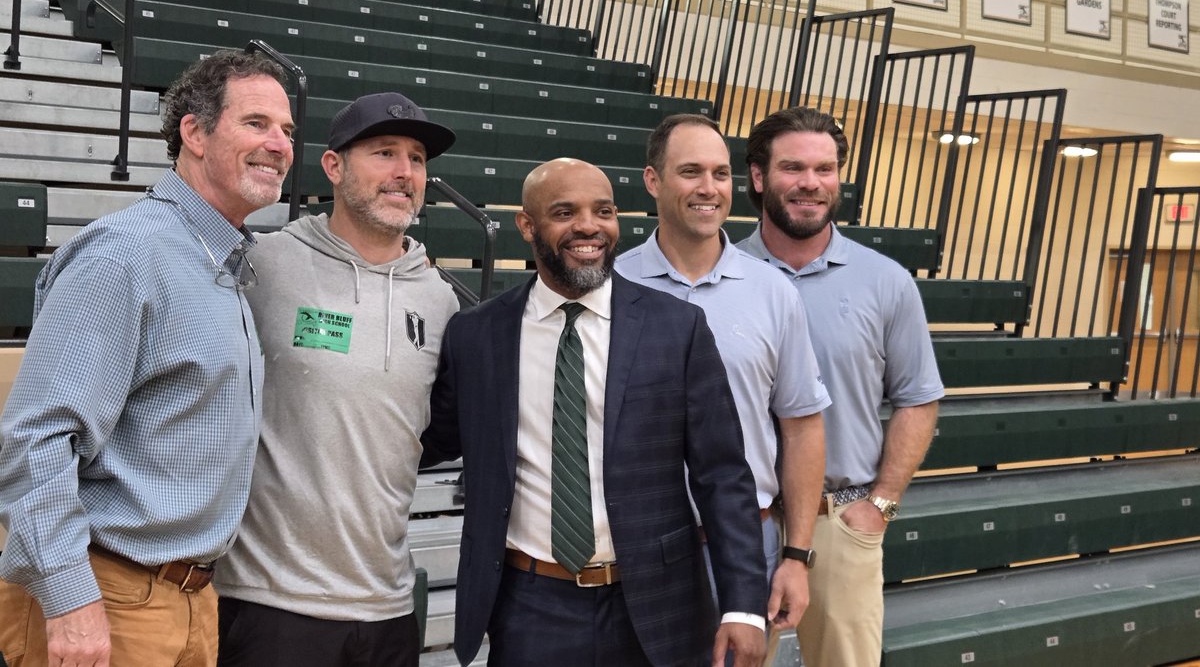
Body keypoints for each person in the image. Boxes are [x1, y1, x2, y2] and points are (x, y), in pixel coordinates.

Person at [0, 49, 294, 666]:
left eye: (287, 131)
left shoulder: (223, 264)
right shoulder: (124, 257)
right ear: (193, 132)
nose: (279, 144)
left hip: (189, 599)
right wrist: (69, 600)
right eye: (257, 123)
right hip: (105, 596)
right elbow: (36, 438)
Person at [420, 158, 768, 667]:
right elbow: (433, 437)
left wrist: (743, 606)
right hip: (529, 604)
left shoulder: (678, 328)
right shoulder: (478, 335)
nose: (589, 226)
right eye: (564, 212)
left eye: (603, 211)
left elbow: (724, 475)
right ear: (526, 225)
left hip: (656, 602)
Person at [212, 92, 459, 667]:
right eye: (384, 152)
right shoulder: (261, 265)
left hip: (389, 607)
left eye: (417, 159)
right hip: (270, 603)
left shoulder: (440, 299)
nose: (405, 172)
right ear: (333, 166)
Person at [614, 114, 830, 657]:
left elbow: (802, 428)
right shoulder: (612, 287)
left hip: (740, 544)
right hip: (631, 546)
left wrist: (796, 556)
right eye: (690, 172)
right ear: (652, 180)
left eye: (720, 173)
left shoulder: (773, 292)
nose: (709, 189)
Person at [737, 106, 944, 667]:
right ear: (758, 178)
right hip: (744, 522)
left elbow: (918, 398)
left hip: (841, 518)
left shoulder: (886, 281)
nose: (811, 183)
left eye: (825, 169)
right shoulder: (724, 275)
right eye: (793, 168)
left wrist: (880, 505)